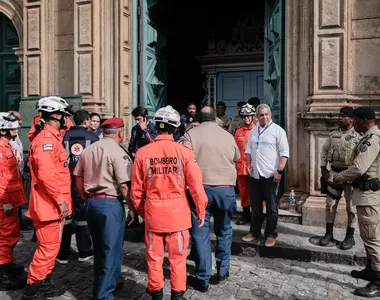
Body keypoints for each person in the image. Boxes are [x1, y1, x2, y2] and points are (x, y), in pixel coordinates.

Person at [131, 105, 207, 300]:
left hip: (153, 215)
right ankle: (177, 295)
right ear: (176, 128)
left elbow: (136, 191)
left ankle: (156, 294)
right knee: (178, 260)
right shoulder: (185, 152)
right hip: (178, 216)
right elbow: (196, 187)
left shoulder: (142, 153)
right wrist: (201, 210)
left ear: (157, 126)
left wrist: (143, 211)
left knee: (154, 258)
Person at [74, 117, 137, 300]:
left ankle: (108, 283)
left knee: (100, 248)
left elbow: (77, 176)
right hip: (110, 203)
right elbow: (124, 185)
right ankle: (103, 295)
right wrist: (132, 208)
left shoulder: (89, 149)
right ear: (120, 133)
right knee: (111, 250)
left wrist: (85, 196)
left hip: (91, 203)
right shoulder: (118, 152)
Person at [182, 106, 240, 292]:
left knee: (200, 234)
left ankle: (203, 277)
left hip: (200, 190)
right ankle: (223, 271)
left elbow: (183, 159)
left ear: (200, 117)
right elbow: (236, 157)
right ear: (215, 118)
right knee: (224, 230)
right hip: (225, 189)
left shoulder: (191, 135)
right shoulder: (227, 136)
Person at [23, 96, 73, 300]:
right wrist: (60, 200)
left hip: (52, 204)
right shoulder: (46, 142)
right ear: (55, 115)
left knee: (51, 247)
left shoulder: (52, 139)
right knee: (48, 247)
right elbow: (46, 176)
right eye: (63, 116)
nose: (66, 120)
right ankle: (34, 287)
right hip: (50, 205)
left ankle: (43, 279)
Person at [331, 107, 380, 298]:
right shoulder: (368, 136)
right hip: (365, 194)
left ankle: (378, 280)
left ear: (365, 120)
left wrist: (338, 177)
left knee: (373, 238)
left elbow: (358, 168)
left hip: (369, 197)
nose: (353, 122)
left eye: (356, 120)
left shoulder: (372, 139)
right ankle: (370, 268)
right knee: (369, 237)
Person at [242, 104, 289, 247]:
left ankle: (271, 234)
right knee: (255, 206)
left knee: (272, 207)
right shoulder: (254, 131)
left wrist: (279, 171)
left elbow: (284, 153)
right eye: (261, 115)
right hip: (255, 174)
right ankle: (254, 231)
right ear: (257, 116)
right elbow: (249, 150)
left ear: (270, 115)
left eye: (266, 114)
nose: (264, 117)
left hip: (271, 175)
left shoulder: (278, 131)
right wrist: (248, 165)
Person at [55, 110, 99, 264]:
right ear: (86, 121)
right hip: (83, 182)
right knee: (82, 217)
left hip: (65, 181)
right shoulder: (93, 137)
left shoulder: (63, 137)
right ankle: (84, 251)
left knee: (65, 217)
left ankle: (62, 254)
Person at [319, 107, 359, 249]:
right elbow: (324, 150)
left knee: (351, 208)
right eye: (339, 115)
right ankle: (328, 234)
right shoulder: (333, 135)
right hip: (334, 175)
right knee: (330, 205)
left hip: (351, 176)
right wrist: (323, 167)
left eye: (343, 116)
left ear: (351, 118)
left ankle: (350, 237)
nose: (340, 118)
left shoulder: (358, 135)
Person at [0, 113, 27, 291]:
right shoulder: (1, 150)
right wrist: (4, 201)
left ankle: (8, 266)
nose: (16, 130)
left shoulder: (6, 146)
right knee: (4, 237)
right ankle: (3, 276)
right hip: (5, 203)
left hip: (11, 200)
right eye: (13, 128)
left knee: (11, 235)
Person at [234, 104, 256, 225]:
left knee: (256, 192)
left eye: (248, 116)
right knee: (243, 192)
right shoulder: (238, 131)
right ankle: (246, 215)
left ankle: (257, 216)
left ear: (252, 116)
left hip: (254, 167)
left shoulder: (258, 130)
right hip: (241, 166)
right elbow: (234, 148)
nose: (246, 118)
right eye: (244, 116)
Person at [7, 111, 25, 231]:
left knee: (17, 203)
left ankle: (18, 226)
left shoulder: (16, 135)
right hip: (10, 177)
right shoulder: (6, 139)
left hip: (18, 174)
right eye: (18, 120)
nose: (20, 123)